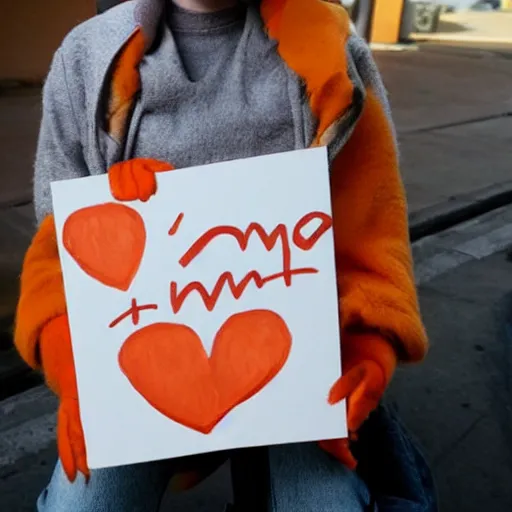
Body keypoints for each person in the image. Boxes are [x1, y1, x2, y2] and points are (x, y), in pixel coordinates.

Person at [14, 0, 431, 510]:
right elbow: (59, 244)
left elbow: (370, 221)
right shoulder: (87, 58)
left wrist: (370, 345)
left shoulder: (331, 53)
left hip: (295, 372)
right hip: (141, 370)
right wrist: (75, 365)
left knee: (325, 504)